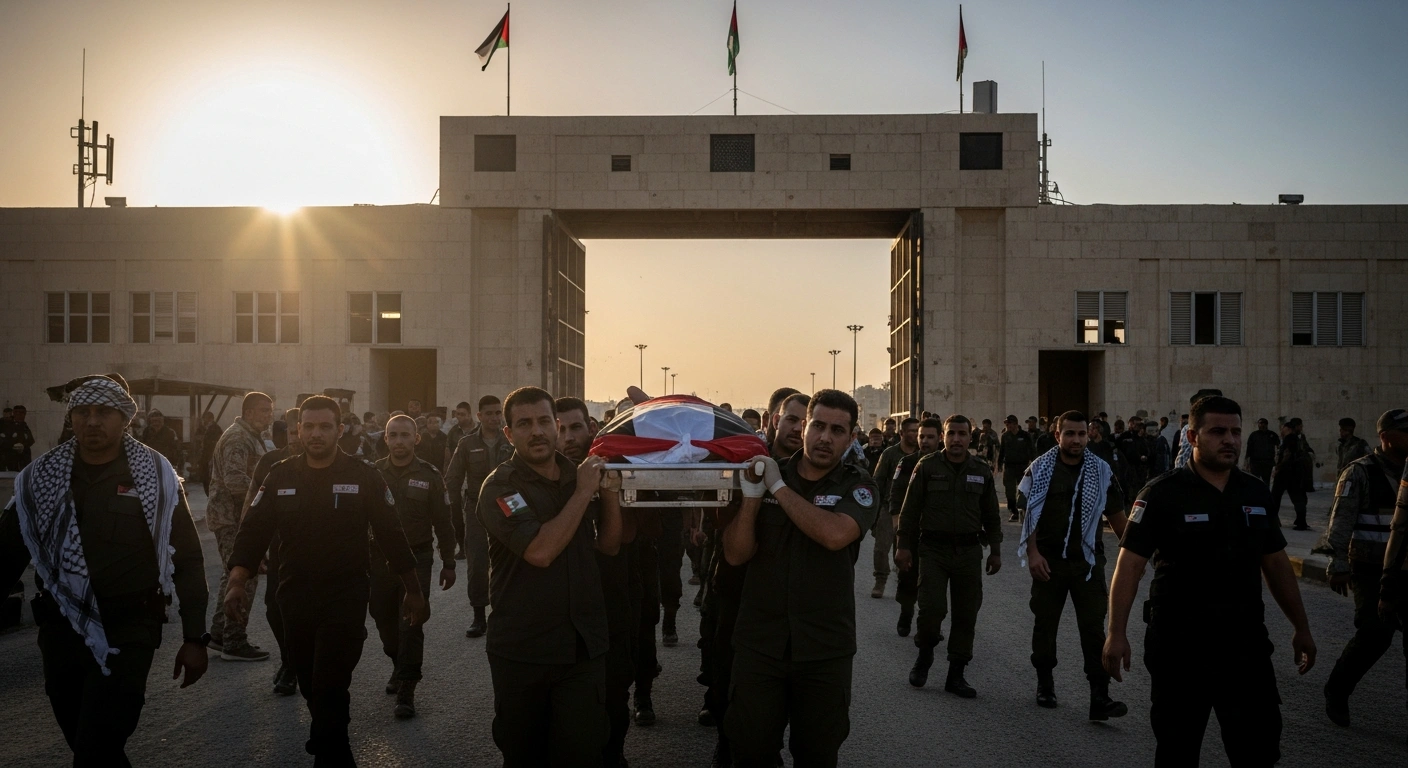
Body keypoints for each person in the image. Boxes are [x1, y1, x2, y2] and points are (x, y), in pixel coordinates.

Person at [0, 375, 209, 765]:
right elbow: (7, 553)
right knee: (90, 747)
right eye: (83, 411)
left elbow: (188, 560)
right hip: (61, 632)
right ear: (71, 417)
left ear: (125, 418)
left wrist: (195, 637)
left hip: (128, 632)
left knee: (96, 746)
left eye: (104, 412)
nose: (92, 421)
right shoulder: (41, 478)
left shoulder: (156, 476)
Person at [1103, 395, 1317, 767]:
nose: (1230, 440)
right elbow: (1129, 567)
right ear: (1193, 436)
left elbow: (1276, 564)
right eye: (1218, 431)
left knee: (1258, 752)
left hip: (1245, 645)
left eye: (1235, 431)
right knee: (1178, 751)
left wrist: (1301, 627)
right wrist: (1115, 633)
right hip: (1179, 647)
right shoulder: (1161, 493)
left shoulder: (1255, 492)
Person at [227, 396, 426, 766]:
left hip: (345, 597)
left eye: (325, 426)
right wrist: (237, 580)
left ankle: (332, 751)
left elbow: (391, 534)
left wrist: (413, 589)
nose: (316, 434)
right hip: (294, 595)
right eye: (309, 426)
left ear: (340, 430)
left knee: (330, 683)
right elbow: (253, 531)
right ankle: (330, 740)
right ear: (299, 430)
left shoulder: (363, 475)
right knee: (309, 682)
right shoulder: (280, 475)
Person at [722, 389, 877, 767]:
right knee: (751, 751)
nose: (825, 438)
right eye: (818, 426)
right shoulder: (765, 472)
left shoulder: (858, 485)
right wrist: (753, 498)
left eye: (838, 431)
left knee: (816, 755)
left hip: (824, 650)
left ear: (851, 438)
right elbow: (736, 554)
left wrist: (778, 488)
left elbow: (834, 534)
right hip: (761, 644)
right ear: (804, 426)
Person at [476, 386, 621, 766]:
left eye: (543, 421)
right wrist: (584, 493)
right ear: (509, 434)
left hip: (581, 647)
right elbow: (540, 552)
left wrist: (608, 494)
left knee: (583, 753)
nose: (537, 431)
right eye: (524, 424)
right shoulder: (501, 486)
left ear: (556, 425)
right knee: (525, 756)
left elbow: (609, 545)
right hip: (523, 651)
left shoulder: (579, 475)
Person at [699, 387, 799, 766]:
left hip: (782, 595)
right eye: (791, 419)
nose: (798, 428)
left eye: (805, 422)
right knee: (725, 667)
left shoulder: (812, 472)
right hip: (736, 584)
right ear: (774, 420)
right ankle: (728, 743)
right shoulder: (744, 459)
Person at [1016, 411, 1129, 720]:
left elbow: (1118, 518)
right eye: (1070, 434)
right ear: (1058, 436)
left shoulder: (1101, 471)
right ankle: (1045, 684)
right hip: (1049, 563)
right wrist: (1033, 554)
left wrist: (1135, 555)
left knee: (1094, 630)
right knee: (1045, 626)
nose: (1076, 440)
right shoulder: (1040, 469)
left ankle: (1099, 696)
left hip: (1087, 564)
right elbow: (1029, 514)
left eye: (1081, 434)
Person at [896, 414, 1002, 696]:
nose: (956, 439)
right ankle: (924, 655)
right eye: (951, 433)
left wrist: (996, 551)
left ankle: (956, 674)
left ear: (970, 437)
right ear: (943, 436)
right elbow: (909, 510)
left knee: (966, 614)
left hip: (968, 551)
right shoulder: (927, 466)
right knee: (931, 609)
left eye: (962, 434)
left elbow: (991, 514)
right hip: (933, 550)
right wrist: (903, 545)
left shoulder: (980, 469)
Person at [1314, 409, 1408, 726]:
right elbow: (1340, 521)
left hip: (1405, 569)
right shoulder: (1360, 472)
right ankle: (1337, 690)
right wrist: (1337, 564)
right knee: (1375, 634)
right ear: (1386, 437)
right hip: (1369, 568)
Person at [557, 395, 636, 766]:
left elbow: (618, 541)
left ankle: (613, 754)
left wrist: (606, 490)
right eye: (560, 429)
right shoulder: (543, 477)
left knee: (614, 692)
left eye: (575, 428)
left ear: (591, 428)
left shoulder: (615, 467)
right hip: (560, 609)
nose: (568, 438)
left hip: (609, 600)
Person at [372, 415, 458, 719]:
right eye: (393, 435)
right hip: (378, 559)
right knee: (383, 621)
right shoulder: (372, 473)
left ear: (416, 439)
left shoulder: (430, 475)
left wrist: (449, 562)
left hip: (418, 557)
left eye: (405, 435)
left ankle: (407, 687)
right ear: (385, 439)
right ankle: (398, 664)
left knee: (411, 623)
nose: (399, 441)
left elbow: (443, 522)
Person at [206, 391, 274, 662]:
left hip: (236, 517)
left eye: (270, 410)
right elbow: (234, 479)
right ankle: (234, 641)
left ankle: (219, 635)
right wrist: (266, 496)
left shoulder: (250, 436)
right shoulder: (238, 437)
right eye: (264, 410)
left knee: (231, 574)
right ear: (248, 412)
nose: (269, 415)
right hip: (231, 518)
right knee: (244, 574)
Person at [240, 414, 301, 696]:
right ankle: (290, 661)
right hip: (280, 548)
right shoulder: (271, 462)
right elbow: (252, 507)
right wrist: (251, 551)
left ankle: (301, 664)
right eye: (292, 431)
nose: (296, 437)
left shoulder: (330, 461)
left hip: (322, 549)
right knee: (275, 608)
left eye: (301, 430)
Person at [446, 394, 513, 638]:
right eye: (489, 413)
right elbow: (453, 478)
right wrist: (449, 511)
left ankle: (506, 613)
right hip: (476, 506)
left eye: (498, 413)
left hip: (508, 504)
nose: (495, 418)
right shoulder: (466, 444)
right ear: (479, 416)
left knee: (511, 557)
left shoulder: (512, 441)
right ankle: (478, 615)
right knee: (477, 561)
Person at [887, 418, 941, 637]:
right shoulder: (907, 463)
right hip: (910, 530)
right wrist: (897, 524)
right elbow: (896, 493)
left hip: (936, 532)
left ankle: (929, 624)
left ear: (940, 438)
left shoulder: (946, 463)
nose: (925, 441)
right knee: (908, 577)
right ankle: (906, 612)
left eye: (930, 437)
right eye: (921, 437)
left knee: (934, 583)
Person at [870, 417, 918, 599]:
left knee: (907, 548)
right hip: (889, 507)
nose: (915, 434)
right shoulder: (890, 454)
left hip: (913, 509)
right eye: (912, 431)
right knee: (881, 548)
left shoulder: (923, 455)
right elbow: (878, 481)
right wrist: (876, 512)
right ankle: (880, 580)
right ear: (902, 433)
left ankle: (903, 581)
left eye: (917, 431)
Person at [1272, 418, 1314, 530]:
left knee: (1276, 496)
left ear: (1288, 428)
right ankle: (1301, 521)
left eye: (1283, 429)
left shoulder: (1290, 438)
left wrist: (1278, 468)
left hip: (1286, 472)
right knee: (1298, 498)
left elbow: (1287, 454)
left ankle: (1273, 520)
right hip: (1296, 473)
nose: (1281, 431)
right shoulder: (1298, 439)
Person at [998, 415, 1036, 522]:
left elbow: (1032, 450)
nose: (1007, 425)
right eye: (1006, 424)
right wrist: (999, 464)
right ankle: (1013, 511)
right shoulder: (1005, 436)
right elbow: (1002, 451)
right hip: (1009, 467)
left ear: (1015, 424)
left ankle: (1023, 509)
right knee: (1009, 490)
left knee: (1023, 489)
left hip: (1022, 466)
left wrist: (1034, 464)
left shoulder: (1025, 435)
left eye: (1009, 423)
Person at [139, 409, 184, 475]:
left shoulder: (170, 432)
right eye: (154, 421)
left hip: (166, 463)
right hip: (150, 463)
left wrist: (176, 464)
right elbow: (142, 446)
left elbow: (176, 449)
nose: (156, 423)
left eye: (158, 421)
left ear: (162, 421)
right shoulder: (146, 432)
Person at [0, 403, 35, 471]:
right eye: (16, 412)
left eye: (22, 413)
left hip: (21, 456)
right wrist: (12, 445)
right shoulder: (4, 423)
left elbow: (30, 439)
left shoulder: (23, 425)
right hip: (8, 455)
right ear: (13, 413)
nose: (19, 415)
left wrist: (23, 445)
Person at [1245, 418, 1280, 485]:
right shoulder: (1253, 435)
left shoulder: (1272, 434)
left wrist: (1276, 460)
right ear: (1258, 424)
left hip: (1268, 462)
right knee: (1254, 480)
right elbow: (1249, 449)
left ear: (1266, 424)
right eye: (1260, 423)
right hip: (1255, 462)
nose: (1262, 425)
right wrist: (1246, 462)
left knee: (1266, 481)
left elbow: (1278, 447)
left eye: (1264, 423)